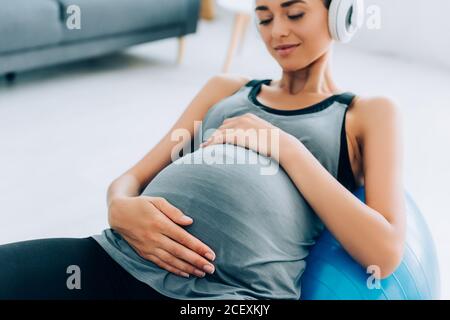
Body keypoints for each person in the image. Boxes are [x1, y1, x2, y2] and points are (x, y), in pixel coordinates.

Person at [0, 0, 406, 300]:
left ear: (341, 14)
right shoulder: (226, 89)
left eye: (294, 13)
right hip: (124, 257)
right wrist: (119, 205)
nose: (276, 31)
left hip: (232, 298)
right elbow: (135, 176)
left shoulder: (366, 114)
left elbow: (384, 252)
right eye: (264, 18)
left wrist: (284, 147)